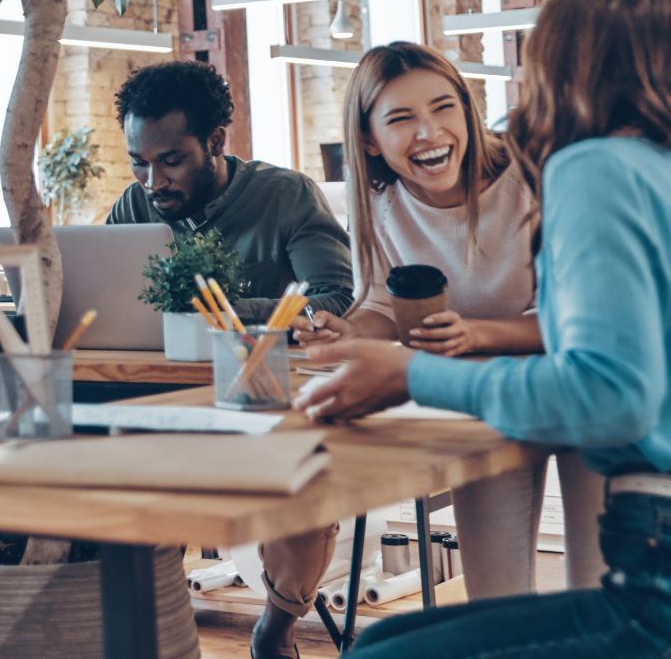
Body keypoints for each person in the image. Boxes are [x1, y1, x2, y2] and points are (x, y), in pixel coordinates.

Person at [296, 0, 671, 658]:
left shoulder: (589, 170)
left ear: (569, 66)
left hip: (652, 542)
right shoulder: (648, 166)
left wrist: (415, 373)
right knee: (390, 638)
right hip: (623, 503)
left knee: (382, 651)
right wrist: (374, 342)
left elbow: (611, 393)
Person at [251, 42, 604, 659]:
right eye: (400, 119)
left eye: (445, 108)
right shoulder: (383, 205)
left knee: (600, 598)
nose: (429, 131)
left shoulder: (535, 176)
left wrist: (476, 335)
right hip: (477, 405)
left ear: (468, 112)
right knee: (495, 613)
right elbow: (389, 308)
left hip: (580, 390)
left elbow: (584, 319)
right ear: (368, 141)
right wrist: (348, 330)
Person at [108, 60, 355, 319]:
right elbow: (103, 297)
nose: (153, 182)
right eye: (139, 162)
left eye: (172, 162)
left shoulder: (287, 195)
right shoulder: (133, 206)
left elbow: (340, 300)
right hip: (151, 359)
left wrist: (228, 313)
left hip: (264, 358)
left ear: (215, 141)